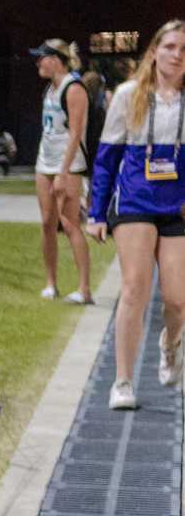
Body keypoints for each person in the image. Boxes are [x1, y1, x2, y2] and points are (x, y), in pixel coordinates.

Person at [85, 20, 185, 412]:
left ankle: (169, 345)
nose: (177, 55)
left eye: (183, 50)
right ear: (155, 51)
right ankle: (123, 382)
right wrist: (96, 212)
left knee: (177, 300)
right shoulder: (129, 96)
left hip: (174, 207)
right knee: (135, 289)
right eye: (171, 47)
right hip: (134, 206)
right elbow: (106, 159)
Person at [30, 39, 94, 306]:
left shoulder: (73, 88)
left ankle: (84, 289)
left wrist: (63, 172)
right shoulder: (50, 88)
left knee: (69, 224)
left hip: (67, 164)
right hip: (45, 161)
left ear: (55, 58)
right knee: (47, 223)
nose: (37, 63)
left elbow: (76, 132)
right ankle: (51, 283)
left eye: (41, 58)